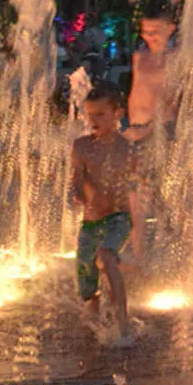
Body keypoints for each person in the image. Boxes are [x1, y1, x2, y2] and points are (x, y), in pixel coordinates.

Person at [71, 82, 144, 340]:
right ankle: (97, 316)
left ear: (117, 114)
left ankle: (123, 325)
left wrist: (138, 229)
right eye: (90, 115)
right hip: (91, 223)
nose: (93, 120)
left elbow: (136, 188)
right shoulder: (81, 147)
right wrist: (77, 191)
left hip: (118, 218)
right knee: (88, 289)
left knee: (106, 257)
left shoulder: (127, 150)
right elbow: (76, 178)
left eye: (100, 114)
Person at [124, 5, 178, 142]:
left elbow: (176, 100)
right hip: (135, 127)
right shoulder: (139, 56)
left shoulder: (176, 59)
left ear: (170, 29)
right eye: (145, 32)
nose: (149, 36)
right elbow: (135, 92)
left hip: (162, 129)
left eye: (155, 31)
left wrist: (150, 128)